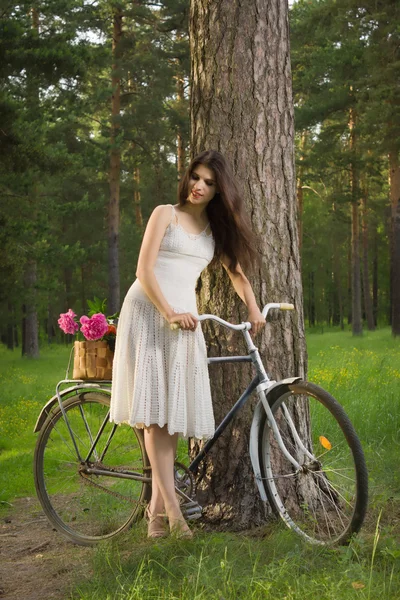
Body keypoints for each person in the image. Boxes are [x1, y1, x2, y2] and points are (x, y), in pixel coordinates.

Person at [110, 150, 265, 539]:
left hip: (185, 320)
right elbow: (143, 270)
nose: (199, 186)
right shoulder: (166, 213)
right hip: (150, 312)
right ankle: (175, 518)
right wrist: (167, 312)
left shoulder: (216, 231)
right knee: (155, 416)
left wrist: (255, 307)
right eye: (195, 177)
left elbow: (236, 272)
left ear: (219, 190)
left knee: (171, 418)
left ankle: (155, 515)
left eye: (209, 182)